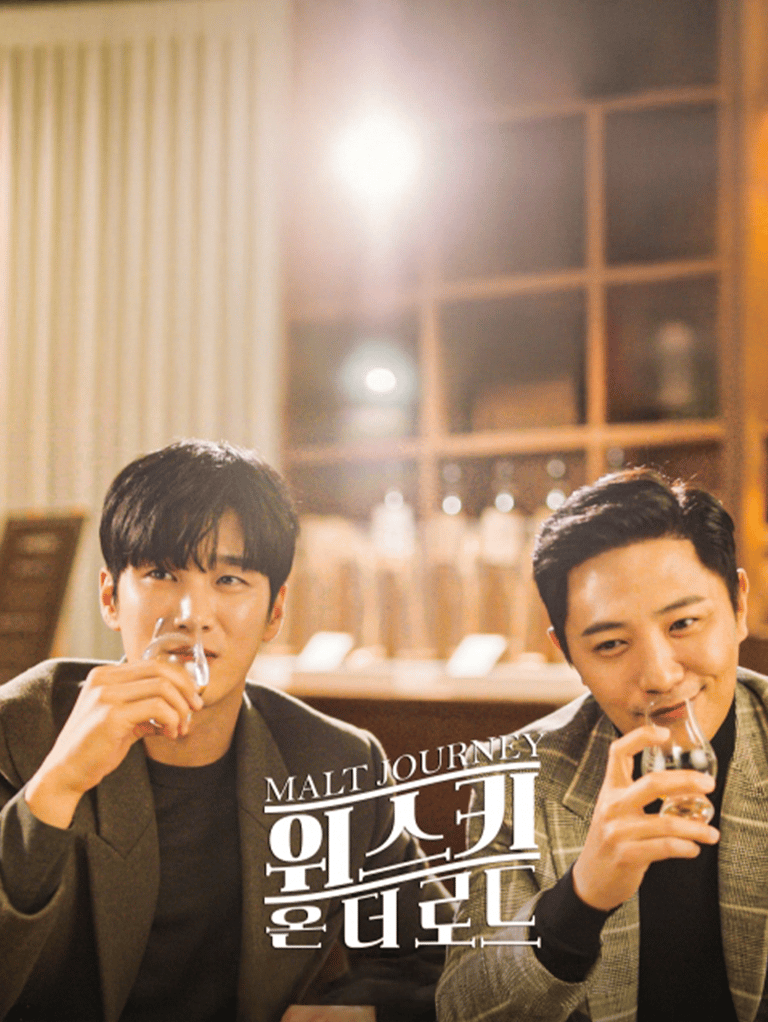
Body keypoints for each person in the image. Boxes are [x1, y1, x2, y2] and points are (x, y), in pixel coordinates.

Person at [0, 439, 447, 1022]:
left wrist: (361, 1012)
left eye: (230, 580)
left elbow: (442, 963)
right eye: (161, 573)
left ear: (275, 611)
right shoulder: (20, 730)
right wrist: (57, 786)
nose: (193, 614)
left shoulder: (334, 765)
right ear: (110, 597)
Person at [436, 467, 768, 1022]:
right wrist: (582, 897)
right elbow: (463, 1008)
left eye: (683, 623)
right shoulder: (516, 777)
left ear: (738, 606)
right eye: (612, 644)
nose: (659, 675)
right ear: (567, 653)